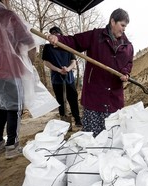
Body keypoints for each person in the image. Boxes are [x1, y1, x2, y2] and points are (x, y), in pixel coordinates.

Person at [47, 8, 134, 137]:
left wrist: (125, 73)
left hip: (114, 100)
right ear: (112, 21)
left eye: (125, 26)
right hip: (95, 97)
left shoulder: (127, 46)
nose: (124, 29)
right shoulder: (96, 36)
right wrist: (58, 39)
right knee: (92, 139)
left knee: (112, 138)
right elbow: (75, 41)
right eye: (122, 25)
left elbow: (128, 63)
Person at [0, 0, 36, 159]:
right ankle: (12, 145)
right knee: (14, 108)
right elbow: (28, 41)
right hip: (8, 69)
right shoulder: (8, 16)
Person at [42, 26, 82, 127]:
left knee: (73, 98)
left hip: (69, 78)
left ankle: (77, 119)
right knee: (60, 101)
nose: (55, 36)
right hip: (57, 78)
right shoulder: (47, 48)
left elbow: (73, 61)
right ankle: (64, 121)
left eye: (57, 34)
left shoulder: (67, 46)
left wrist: (68, 69)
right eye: (53, 34)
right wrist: (58, 70)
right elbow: (46, 62)